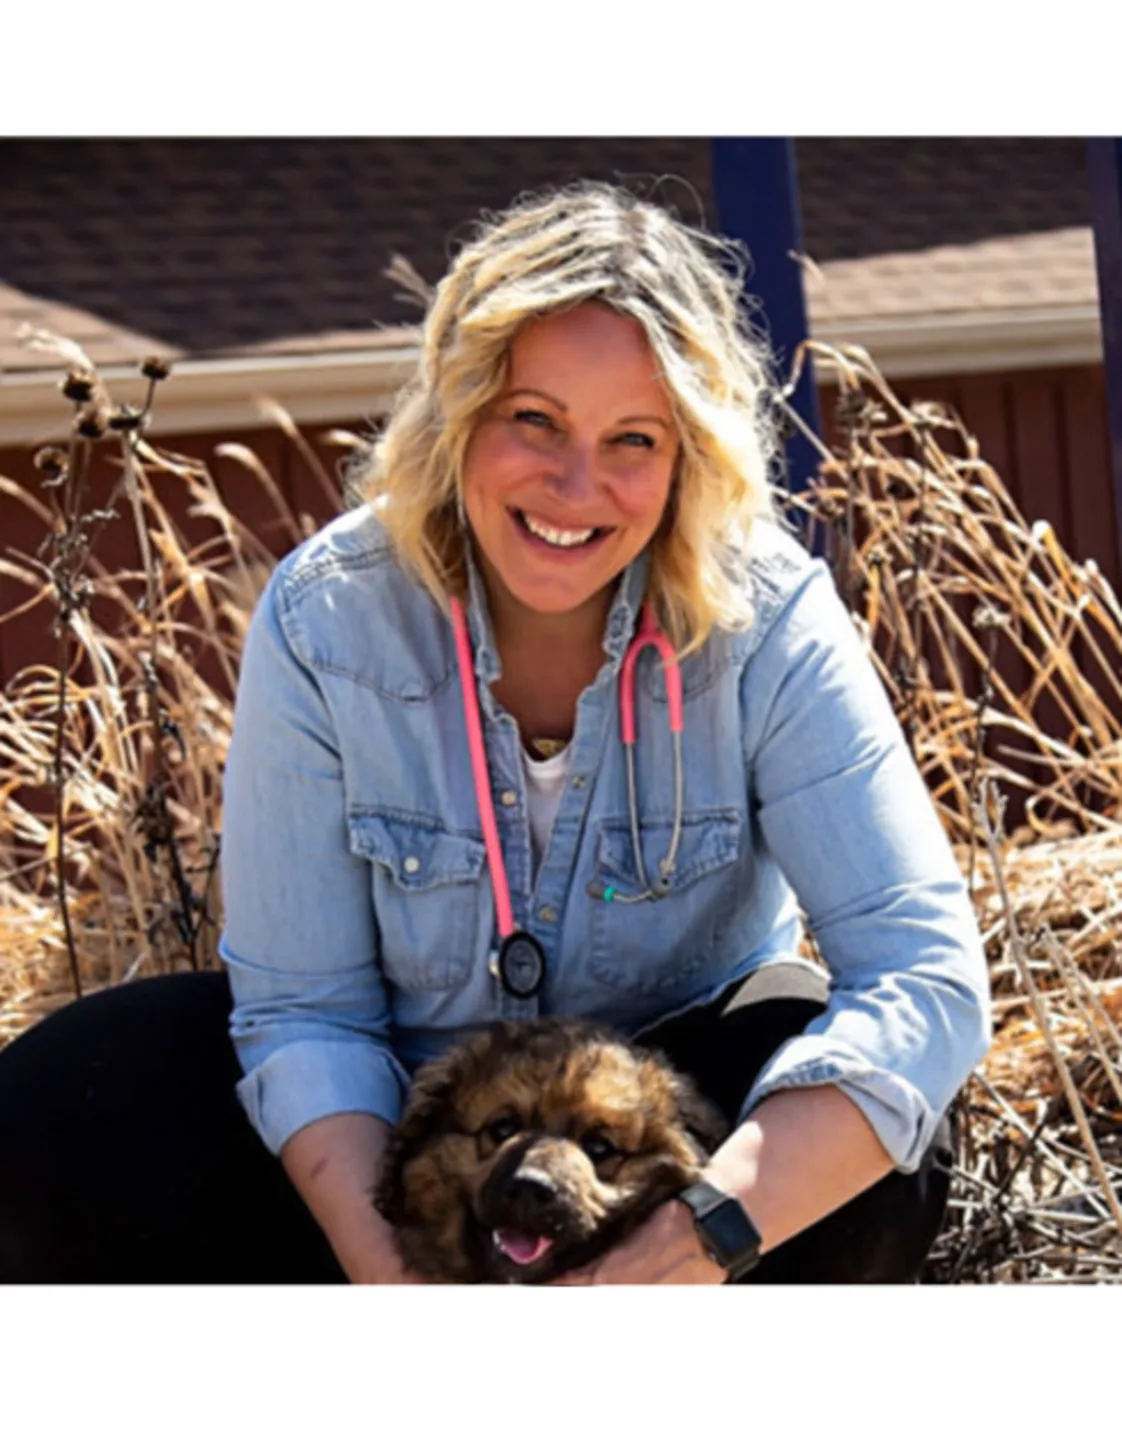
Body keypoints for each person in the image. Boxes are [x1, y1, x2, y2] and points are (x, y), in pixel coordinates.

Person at [0, 182, 989, 1284]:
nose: (577, 485)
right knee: (65, 1102)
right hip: (404, 1151)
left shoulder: (767, 615)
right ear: (460, 410)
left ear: (689, 458)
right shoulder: (329, 617)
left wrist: (680, 1249)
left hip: (657, 1173)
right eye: (535, 420)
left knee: (882, 1127)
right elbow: (305, 1012)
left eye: (634, 439)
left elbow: (924, 972)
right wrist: (408, 1285)